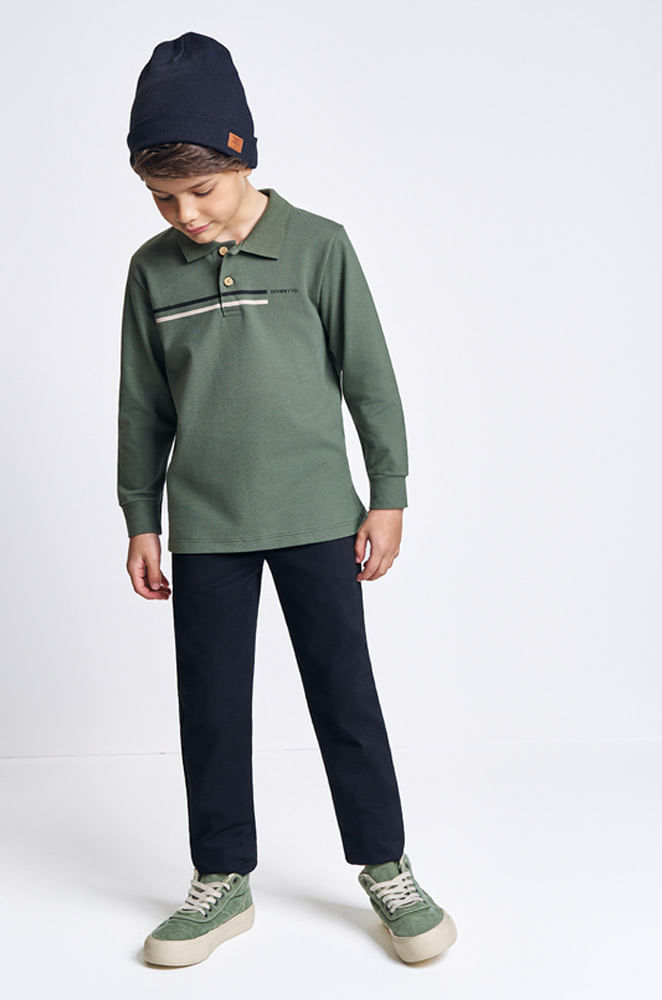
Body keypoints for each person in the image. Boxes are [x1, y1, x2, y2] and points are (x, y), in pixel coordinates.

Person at [117, 31, 457, 968]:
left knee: (345, 697)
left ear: (242, 157)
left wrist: (388, 492)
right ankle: (221, 878)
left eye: (200, 190)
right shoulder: (151, 271)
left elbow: (370, 378)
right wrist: (141, 516)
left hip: (317, 518)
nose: (185, 214)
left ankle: (386, 866)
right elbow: (143, 406)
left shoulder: (319, 247)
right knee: (212, 710)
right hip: (206, 527)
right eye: (162, 198)